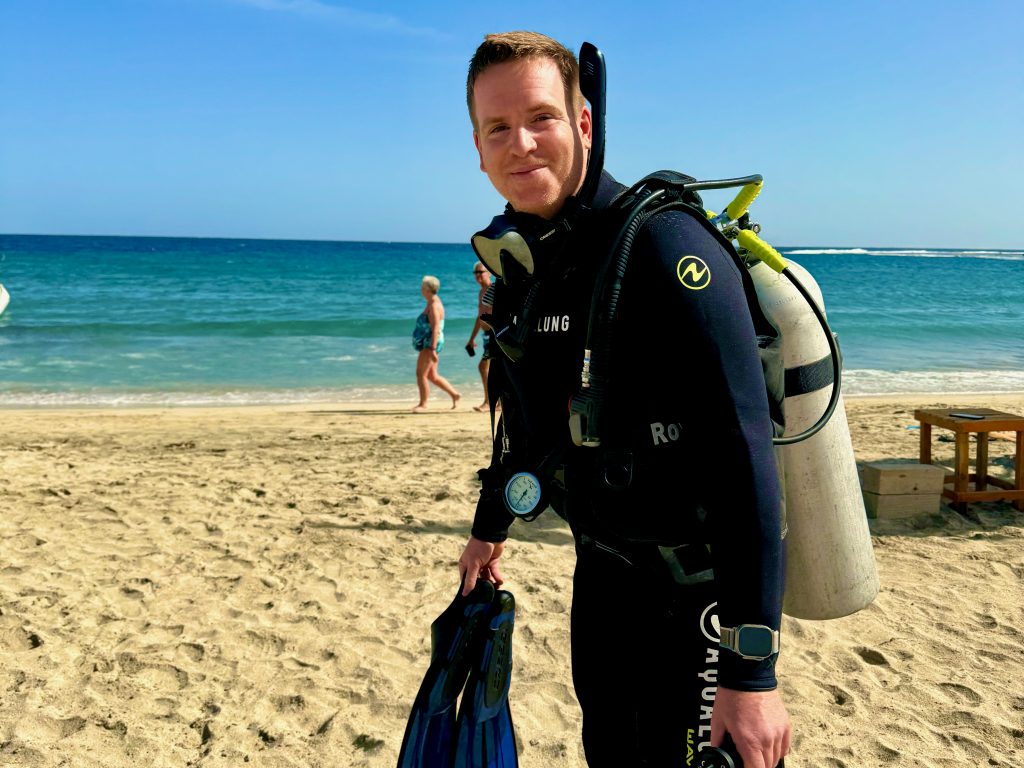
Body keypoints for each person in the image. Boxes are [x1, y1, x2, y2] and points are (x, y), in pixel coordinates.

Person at [457, 31, 791, 768]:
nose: (522, 145)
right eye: (498, 128)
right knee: (610, 752)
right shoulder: (528, 265)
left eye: (541, 117)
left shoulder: (668, 249)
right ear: (478, 149)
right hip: (602, 573)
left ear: (583, 123)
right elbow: (527, 420)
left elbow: (746, 460)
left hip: (697, 595)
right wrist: (490, 528)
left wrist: (753, 672)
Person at [412, 275, 460, 413]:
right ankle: (455, 395)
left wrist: (432, 349)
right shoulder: (431, 302)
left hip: (430, 344)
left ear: (428, 289)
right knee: (432, 375)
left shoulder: (434, 305)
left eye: (422, 287)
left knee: (421, 373)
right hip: (429, 343)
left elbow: (436, 329)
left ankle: (423, 404)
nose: (421, 289)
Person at [466, 263, 496, 412]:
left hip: (494, 335)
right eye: (475, 273)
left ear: (489, 273)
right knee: (491, 369)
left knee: (483, 367)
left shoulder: (494, 290)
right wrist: (472, 339)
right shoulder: (481, 292)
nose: (477, 275)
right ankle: (495, 402)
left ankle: (489, 401)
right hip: (486, 336)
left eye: (480, 272)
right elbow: (479, 317)